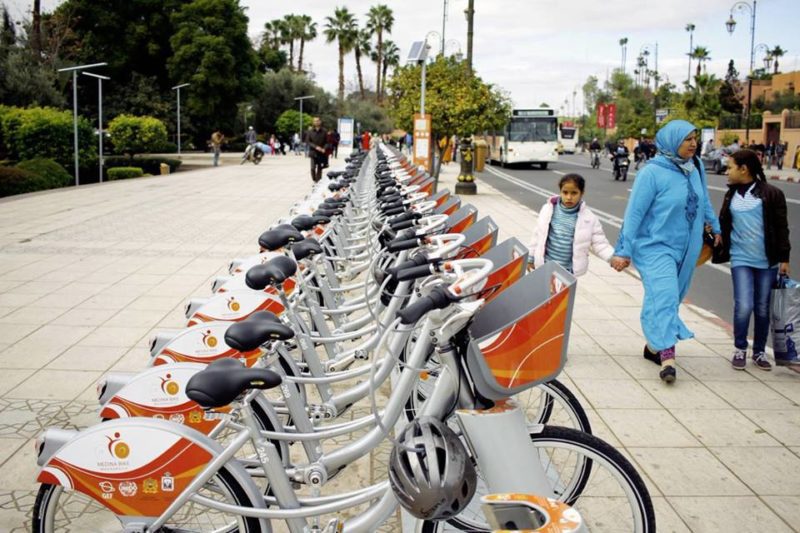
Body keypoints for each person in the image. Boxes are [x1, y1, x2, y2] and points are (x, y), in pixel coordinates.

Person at [610, 120, 721, 384]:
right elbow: (634, 214)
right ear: (672, 141)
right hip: (654, 247)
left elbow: (703, 199)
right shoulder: (651, 173)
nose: (693, 143)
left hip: (688, 248)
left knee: (670, 298)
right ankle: (668, 357)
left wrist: (715, 227)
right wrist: (623, 250)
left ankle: (653, 347)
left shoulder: (694, 168)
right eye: (687, 139)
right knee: (665, 294)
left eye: (695, 138)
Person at [714, 149, 795, 372]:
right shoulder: (731, 195)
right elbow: (724, 223)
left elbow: (781, 228)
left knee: (761, 308)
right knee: (744, 305)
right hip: (740, 259)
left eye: (730, 167)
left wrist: (784, 258)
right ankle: (740, 347)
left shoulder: (771, 194)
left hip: (766, 261)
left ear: (744, 169)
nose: (727, 171)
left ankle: (759, 352)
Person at [528, 174, 615, 276]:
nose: (569, 197)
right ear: (560, 191)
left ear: (581, 193)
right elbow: (537, 234)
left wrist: (613, 258)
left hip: (568, 271)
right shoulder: (548, 210)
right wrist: (530, 257)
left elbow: (600, 243)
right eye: (565, 192)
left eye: (574, 193)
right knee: (543, 291)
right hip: (545, 265)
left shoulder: (589, 218)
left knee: (564, 292)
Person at [304, 117, 328, 182]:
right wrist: (316, 147)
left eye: (317, 121)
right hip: (313, 152)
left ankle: (318, 182)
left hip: (321, 153)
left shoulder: (324, 131)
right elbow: (308, 141)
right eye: (315, 121)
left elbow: (327, 142)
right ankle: (314, 179)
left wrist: (324, 148)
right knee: (312, 168)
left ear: (320, 121)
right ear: (313, 122)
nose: (316, 122)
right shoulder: (310, 131)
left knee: (320, 168)